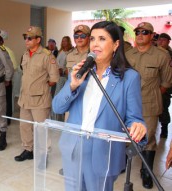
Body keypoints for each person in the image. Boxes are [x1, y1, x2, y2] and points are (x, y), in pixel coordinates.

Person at [53, 21, 147, 191]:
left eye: (102, 39)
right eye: (93, 39)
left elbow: (134, 118)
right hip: (73, 147)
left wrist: (137, 126)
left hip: (103, 153)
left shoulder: (129, 77)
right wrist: (73, 85)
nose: (95, 44)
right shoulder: (80, 71)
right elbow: (57, 108)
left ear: (116, 44)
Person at [126, 22, 172, 189]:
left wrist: (152, 95)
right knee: (126, 135)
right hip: (128, 104)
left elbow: (166, 82)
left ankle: (146, 171)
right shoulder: (128, 54)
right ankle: (125, 162)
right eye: (137, 31)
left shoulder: (162, 56)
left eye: (145, 32)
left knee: (149, 138)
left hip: (150, 104)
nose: (140, 34)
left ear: (152, 35)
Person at [14, 26, 59, 162]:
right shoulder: (26, 54)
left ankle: (43, 154)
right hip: (25, 98)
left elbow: (54, 78)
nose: (26, 41)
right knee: (25, 126)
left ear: (38, 39)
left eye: (29, 38)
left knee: (41, 129)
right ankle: (28, 149)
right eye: (25, 38)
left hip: (40, 99)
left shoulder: (47, 55)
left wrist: (40, 87)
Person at [0, 30, 18, 125]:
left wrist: (6, 78)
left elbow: (14, 66)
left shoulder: (7, 51)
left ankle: (8, 119)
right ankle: (1, 119)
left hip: (6, 80)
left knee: (7, 101)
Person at [157, 33, 172, 138]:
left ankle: (164, 128)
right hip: (154, 85)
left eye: (164, 40)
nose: (161, 42)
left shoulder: (170, 54)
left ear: (168, 42)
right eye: (160, 40)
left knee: (163, 108)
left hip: (166, 87)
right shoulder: (154, 53)